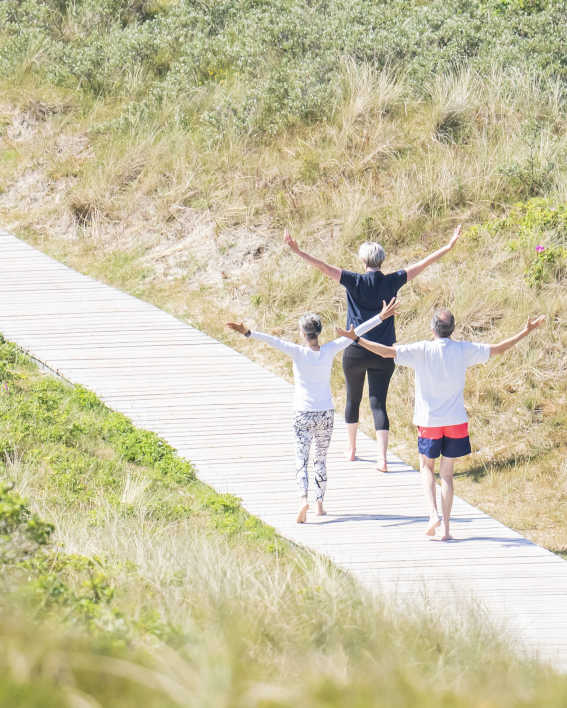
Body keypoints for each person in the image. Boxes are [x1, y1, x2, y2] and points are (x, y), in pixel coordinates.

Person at [349, 302, 543, 542]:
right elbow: (498, 348)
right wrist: (525, 332)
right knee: (447, 476)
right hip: (456, 421)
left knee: (426, 467)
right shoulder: (463, 349)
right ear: (453, 329)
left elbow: (387, 352)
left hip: (429, 421)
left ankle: (433, 515)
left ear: (432, 330)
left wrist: (357, 339)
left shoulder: (422, 350)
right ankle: (447, 530)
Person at [280, 225, 461, 472]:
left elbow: (322, 266)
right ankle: (382, 459)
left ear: (363, 260)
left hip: (354, 350)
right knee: (379, 403)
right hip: (384, 352)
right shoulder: (392, 281)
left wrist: (297, 251)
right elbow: (424, 264)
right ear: (382, 260)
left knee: (353, 400)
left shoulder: (353, 280)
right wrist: (448, 246)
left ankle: (352, 450)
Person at [225, 312, 355, 523]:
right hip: (326, 413)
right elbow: (359, 331)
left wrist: (248, 332)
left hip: (303, 413)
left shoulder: (298, 352)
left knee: (301, 459)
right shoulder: (331, 349)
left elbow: (273, 341)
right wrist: (381, 317)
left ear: (303, 334)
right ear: (319, 332)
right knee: (320, 459)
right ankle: (319, 506)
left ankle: (303, 499)